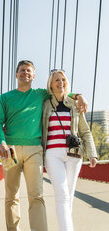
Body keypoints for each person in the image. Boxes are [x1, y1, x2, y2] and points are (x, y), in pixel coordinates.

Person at [0, 60, 87, 231]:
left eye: (29, 71)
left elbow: (61, 91)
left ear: (34, 76)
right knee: (11, 196)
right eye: (22, 70)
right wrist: (1, 142)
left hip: (34, 150)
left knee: (36, 195)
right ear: (16, 74)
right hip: (10, 150)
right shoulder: (5, 98)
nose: (25, 73)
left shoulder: (40, 94)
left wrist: (79, 96)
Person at [42, 69, 98, 231]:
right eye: (57, 80)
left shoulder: (74, 105)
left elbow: (85, 131)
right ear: (51, 85)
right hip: (53, 155)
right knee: (62, 194)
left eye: (63, 80)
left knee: (68, 196)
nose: (60, 83)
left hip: (74, 155)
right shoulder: (45, 104)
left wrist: (92, 154)